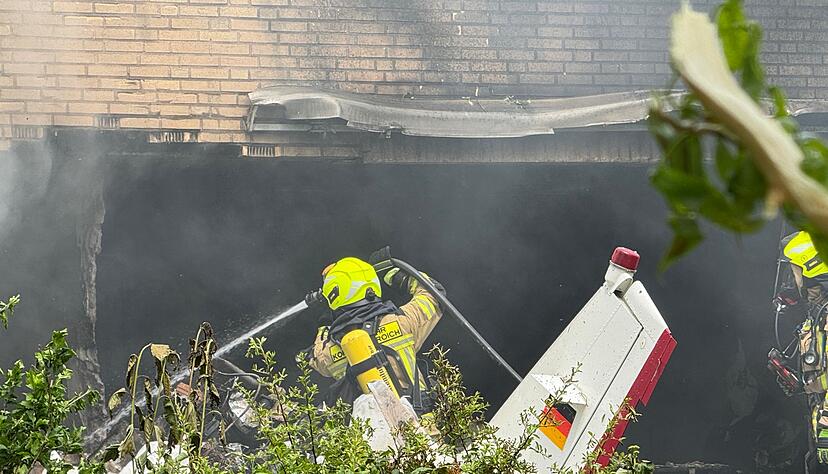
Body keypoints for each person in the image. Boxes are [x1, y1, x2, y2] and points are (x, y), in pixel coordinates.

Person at [307, 256, 444, 415]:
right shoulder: (402, 322)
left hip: (373, 434)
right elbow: (434, 293)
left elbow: (313, 357)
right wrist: (395, 275)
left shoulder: (329, 353)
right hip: (423, 427)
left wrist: (325, 322)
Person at [779, 231, 828, 464]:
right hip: (818, 432)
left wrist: (827, 428)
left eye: (794, 272)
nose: (792, 281)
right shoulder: (817, 317)